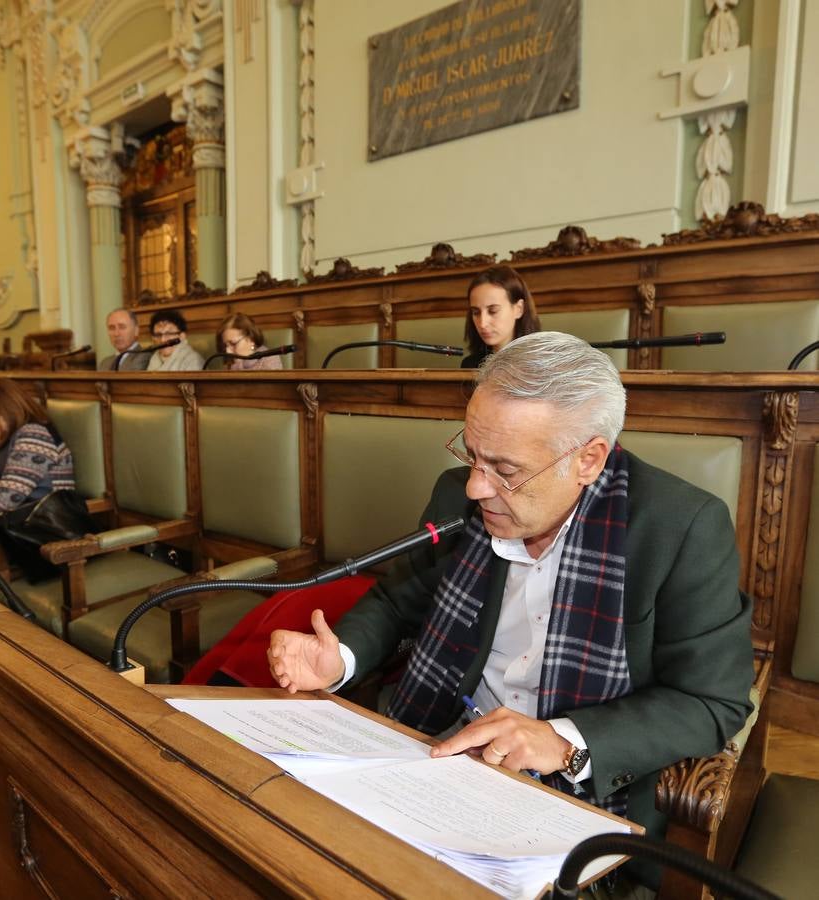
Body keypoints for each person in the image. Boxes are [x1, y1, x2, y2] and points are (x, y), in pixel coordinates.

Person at [267, 333, 753, 889]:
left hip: (574, 792)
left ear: (588, 459)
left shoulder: (679, 528)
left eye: (505, 468)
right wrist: (341, 659)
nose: (477, 486)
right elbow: (396, 602)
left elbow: (712, 701)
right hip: (435, 744)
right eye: (471, 455)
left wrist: (565, 740)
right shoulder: (458, 494)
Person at [0, 379, 75, 528]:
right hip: (9, 522)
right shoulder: (5, 436)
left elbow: (7, 498)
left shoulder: (33, 435)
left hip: (40, 528)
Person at [461, 265, 540, 368]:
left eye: (493, 311)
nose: (482, 323)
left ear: (519, 309)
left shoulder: (540, 363)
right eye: (476, 312)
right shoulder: (470, 364)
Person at [216, 313, 284, 371]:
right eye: (225, 345)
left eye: (233, 344)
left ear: (251, 338)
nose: (228, 352)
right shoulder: (229, 363)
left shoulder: (270, 360)